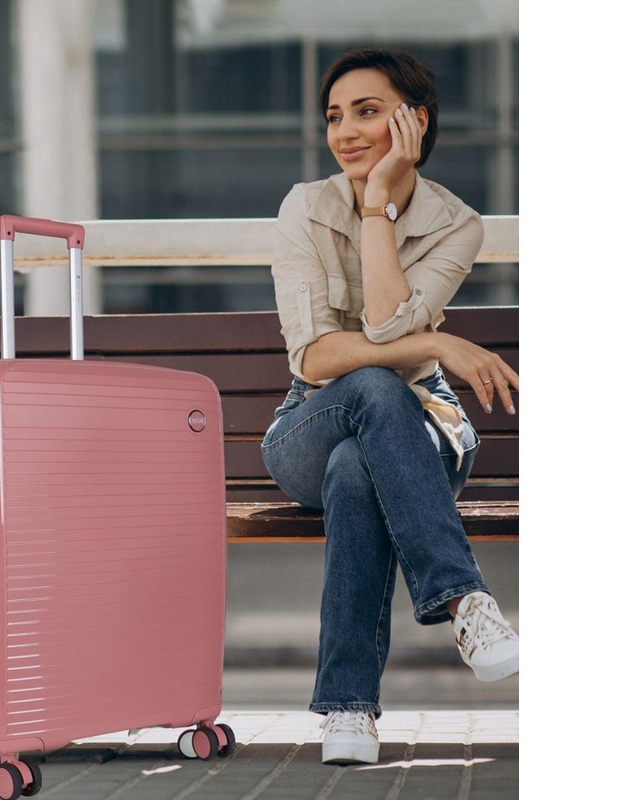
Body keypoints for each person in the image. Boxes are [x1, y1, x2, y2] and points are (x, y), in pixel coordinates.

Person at [261, 47, 519, 766]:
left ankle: (348, 709)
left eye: (367, 112)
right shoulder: (305, 206)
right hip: (308, 419)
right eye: (335, 116)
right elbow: (315, 358)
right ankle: (465, 601)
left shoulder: (454, 223)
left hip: (423, 428)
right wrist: (441, 344)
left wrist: (378, 203)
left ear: (415, 121)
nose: (344, 131)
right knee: (370, 394)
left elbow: (377, 326)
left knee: (357, 470)